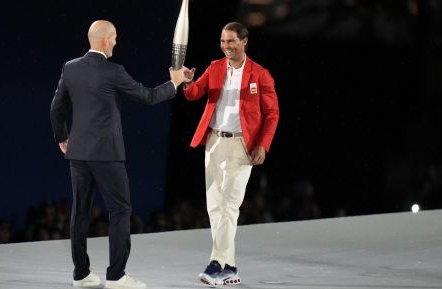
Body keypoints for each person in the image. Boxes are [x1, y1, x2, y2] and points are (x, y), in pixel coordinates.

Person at [50, 20, 188, 289]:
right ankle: (116, 276)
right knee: (120, 211)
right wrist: (174, 83)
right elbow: (148, 96)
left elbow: (56, 109)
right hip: (107, 154)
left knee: (80, 212)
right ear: (104, 40)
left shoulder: (70, 68)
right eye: (113, 38)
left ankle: (81, 274)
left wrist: (62, 138)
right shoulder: (113, 71)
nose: (115, 42)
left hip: (78, 152)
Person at [183, 22, 279, 286]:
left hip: (242, 146)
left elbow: (272, 114)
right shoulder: (215, 68)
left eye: (231, 42)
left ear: (244, 42)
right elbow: (194, 94)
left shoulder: (260, 75)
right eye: (223, 41)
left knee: (229, 205)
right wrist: (187, 82)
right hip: (214, 141)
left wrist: (263, 145)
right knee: (214, 206)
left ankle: (216, 263)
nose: (226, 46)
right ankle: (231, 267)